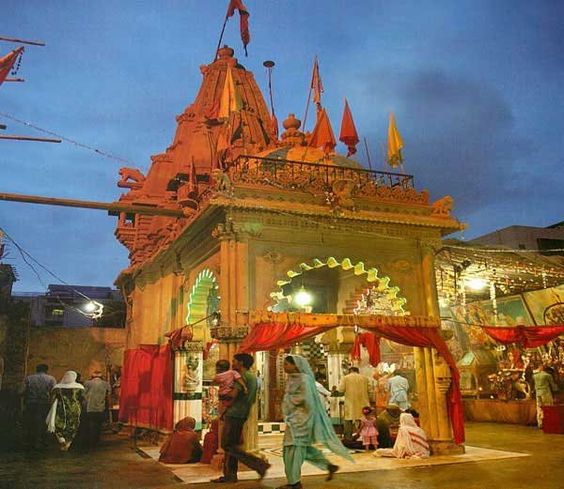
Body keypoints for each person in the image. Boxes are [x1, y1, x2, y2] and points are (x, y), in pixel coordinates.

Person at [278, 355, 352, 489]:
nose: (284, 367)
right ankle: (328, 465)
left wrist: (298, 411)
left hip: (301, 421)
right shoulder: (291, 379)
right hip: (293, 419)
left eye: (287, 364)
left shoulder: (305, 380)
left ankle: (294, 483)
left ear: (296, 365)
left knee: (294, 449)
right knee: (299, 448)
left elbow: (308, 400)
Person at [211, 353, 270, 484]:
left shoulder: (241, 377)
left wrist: (223, 399)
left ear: (241, 363)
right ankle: (230, 475)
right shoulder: (252, 377)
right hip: (243, 413)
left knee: (227, 444)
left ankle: (259, 465)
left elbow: (233, 395)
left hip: (234, 413)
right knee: (232, 444)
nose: (232, 363)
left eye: (235, 361)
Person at [46, 370, 84, 451]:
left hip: (61, 409)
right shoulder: (79, 387)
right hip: (75, 410)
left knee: (59, 424)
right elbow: (83, 399)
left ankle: (62, 440)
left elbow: (51, 399)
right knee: (73, 426)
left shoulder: (57, 387)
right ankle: (68, 443)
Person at [22, 363, 56, 450]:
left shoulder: (29, 378)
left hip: (31, 403)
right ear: (46, 370)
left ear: (36, 369)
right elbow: (54, 392)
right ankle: (43, 441)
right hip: (45, 403)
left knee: (32, 422)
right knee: (44, 422)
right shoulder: (51, 379)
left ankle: (32, 441)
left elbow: (21, 390)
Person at [339, 366, 371, 441]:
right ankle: (364, 437)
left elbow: (341, 390)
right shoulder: (365, 378)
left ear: (350, 371)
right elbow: (370, 389)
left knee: (348, 420)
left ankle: (348, 438)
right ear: (357, 371)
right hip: (363, 402)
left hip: (350, 403)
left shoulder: (345, 378)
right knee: (363, 419)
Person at [83, 370, 111, 449]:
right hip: (100, 408)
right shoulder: (106, 384)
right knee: (98, 426)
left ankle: (91, 442)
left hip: (89, 407)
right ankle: (96, 441)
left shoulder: (87, 383)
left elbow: (83, 395)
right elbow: (109, 395)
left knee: (91, 425)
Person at [533, 364, 559, 429]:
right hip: (546, 393)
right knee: (548, 407)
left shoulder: (534, 376)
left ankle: (540, 424)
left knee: (539, 408)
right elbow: (553, 386)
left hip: (538, 393)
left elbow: (533, 385)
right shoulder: (547, 375)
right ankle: (548, 423)